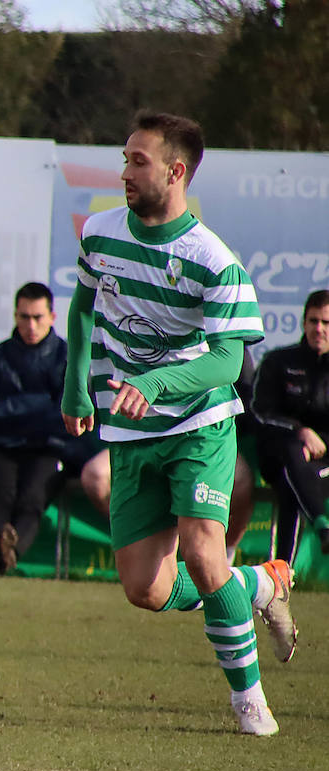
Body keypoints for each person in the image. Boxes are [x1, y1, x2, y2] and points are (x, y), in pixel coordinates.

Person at [61, 111, 297, 736]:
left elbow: (227, 359)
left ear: (176, 171)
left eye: (138, 161)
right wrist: (76, 388)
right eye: (124, 158)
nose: (124, 172)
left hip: (199, 426)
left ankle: (249, 701)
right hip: (131, 433)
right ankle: (257, 585)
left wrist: (155, 382)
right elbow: (83, 306)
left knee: (201, 551)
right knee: (145, 589)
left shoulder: (213, 260)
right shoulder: (101, 232)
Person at [79, 345, 258, 563]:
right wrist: (77, 393)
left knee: (238, 484)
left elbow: (243, 390)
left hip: (202, 435)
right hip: (137, 436)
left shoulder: (218, 332)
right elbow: (84, 320)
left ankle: (226, 559)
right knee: (95, 476)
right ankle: (145, 545)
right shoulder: (129, 323)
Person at [0, 282, 69, 575]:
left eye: (38, 317)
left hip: (50, 447)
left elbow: (65, 413)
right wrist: (39, 404)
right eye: (24, 317)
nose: (31, 325)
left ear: (52, 317)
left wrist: (11, 408)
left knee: (32, 498)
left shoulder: (68, 359)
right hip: (0, 445)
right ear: (15, 316)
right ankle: (1, 553)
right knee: (1, 495)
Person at [252, 289, 329, 561]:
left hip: (324, 464)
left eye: (326, 322)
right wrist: (301, 431)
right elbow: (260, 412)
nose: (318, 329)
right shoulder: (278, 361)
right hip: (279, 455)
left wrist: (319, 442)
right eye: (313, 321)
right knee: (293, 454)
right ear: (304, 323)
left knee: (292, 484)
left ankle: (282, 574)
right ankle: (323, 527)